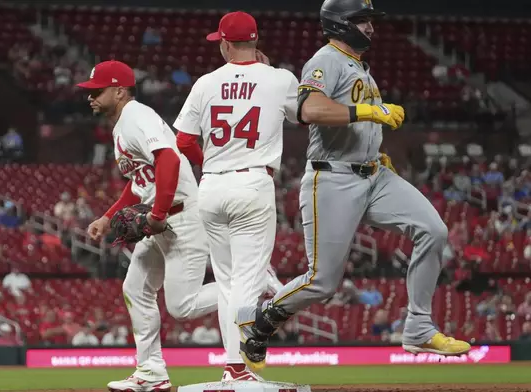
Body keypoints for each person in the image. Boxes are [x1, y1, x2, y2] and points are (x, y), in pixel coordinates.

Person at [236, 0, 470, 374]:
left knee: (433, 230)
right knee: (322, 282)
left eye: (370, 21)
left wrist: (374, 147)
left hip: (374, 174)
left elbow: (356, 121)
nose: (371, 28)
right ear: (340, 24)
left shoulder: (358, 66)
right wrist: (369, 111)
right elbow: (309, 110)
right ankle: (262, 320)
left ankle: (419, 327)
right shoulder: (325, 59)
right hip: (332, 179)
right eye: (362, 21)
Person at [80, 60, 218, 392]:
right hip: (159, 221)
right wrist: (107, 216)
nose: (90, 97)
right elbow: (140, 181)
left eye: (97, 91)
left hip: (180, 217)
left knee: (182, 306)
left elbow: (169, 159)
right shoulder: (121, 126)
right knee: (135, 289)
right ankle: (151, 371)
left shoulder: (137, 116)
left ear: (119, 90)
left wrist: (156, 215)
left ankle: (252, 286)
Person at [174, 11, 295, 381]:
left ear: (226, 44)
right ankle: (240, 364)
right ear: (255, 42)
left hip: (211, 184)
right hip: (252, 183)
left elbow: (183, 141)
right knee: (248, 280)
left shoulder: (206, 82)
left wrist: (209, 161)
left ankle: (234, 365)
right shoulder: (280, 79)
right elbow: (303, 115)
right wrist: (271, 74)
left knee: (227, 281)